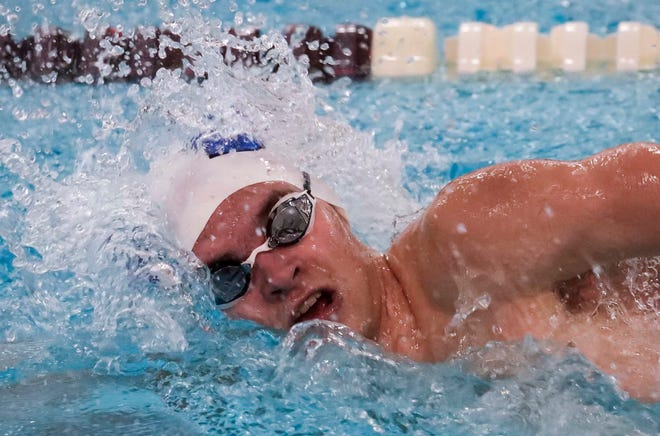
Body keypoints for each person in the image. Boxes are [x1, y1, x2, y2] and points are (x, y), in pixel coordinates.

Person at [152, 138, 660, 401]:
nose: (277, 276)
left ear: (334, 209)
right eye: (226, 275)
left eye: (285, 221)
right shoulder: (332, 405)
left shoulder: (474, 237)